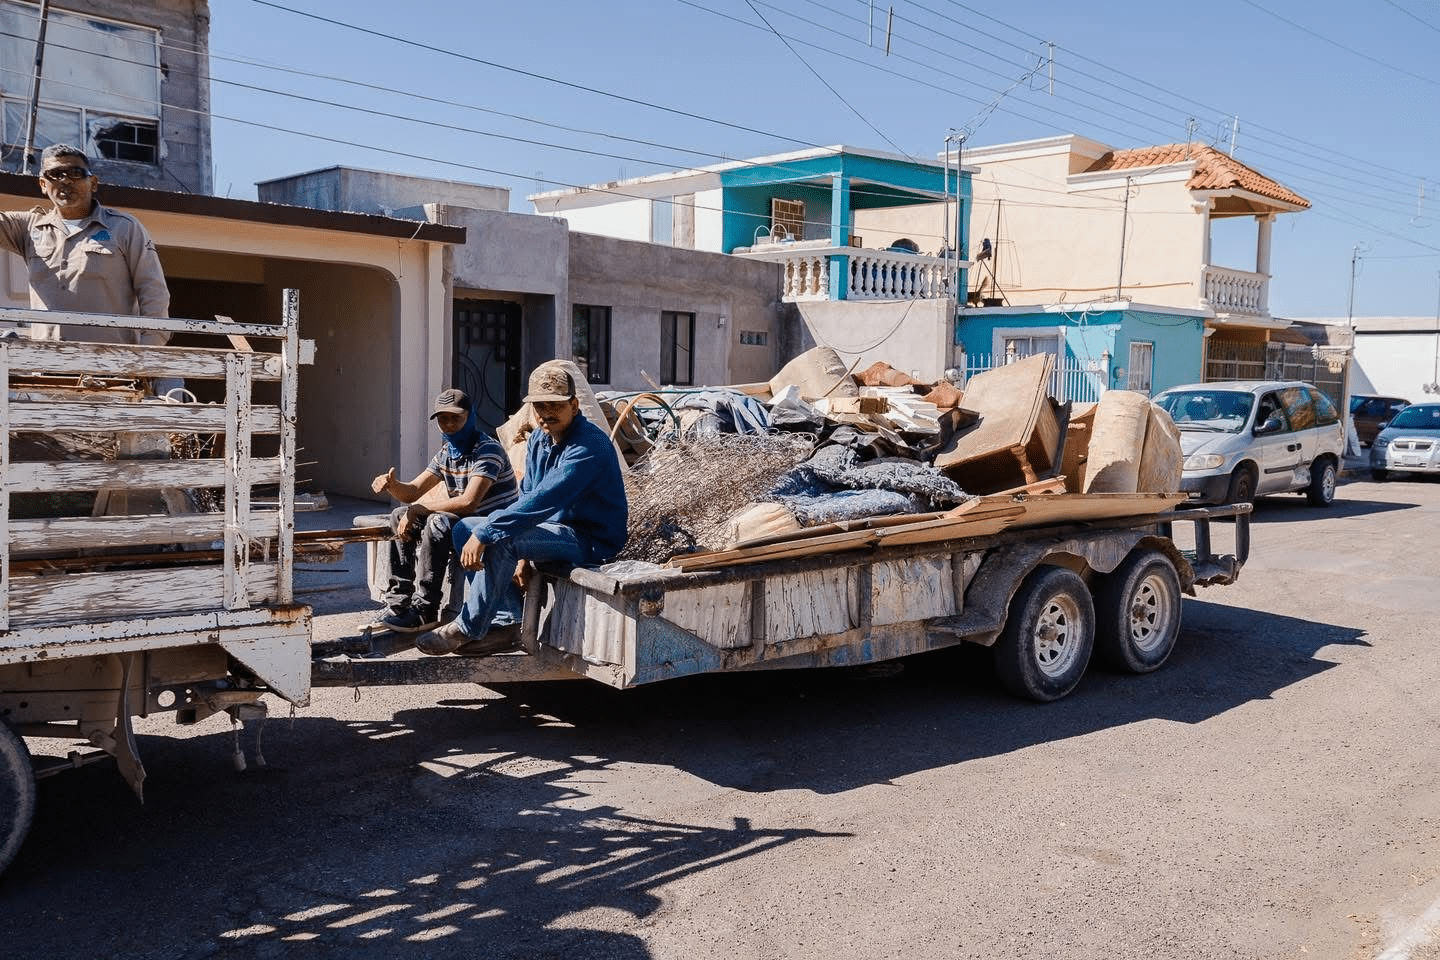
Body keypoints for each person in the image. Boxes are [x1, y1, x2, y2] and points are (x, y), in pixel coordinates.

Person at [414, 366, 628, 657]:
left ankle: (467, 627)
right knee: (465, 528)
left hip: (587, 540)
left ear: (574, 405)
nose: (545, 413)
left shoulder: (589, 446)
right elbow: (526, 493)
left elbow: (543, 500)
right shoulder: (540, 439)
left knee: (498, 536)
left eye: (555, 405)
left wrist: (490, 532)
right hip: (549, 531)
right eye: (539, 406)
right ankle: (506, 622)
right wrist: (520, 552)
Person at [368, 388, 519, 633]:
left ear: (470, 417)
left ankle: (426, 608)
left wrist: (417, 509)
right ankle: (399, 603)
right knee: (398, 515)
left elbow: (469, 502)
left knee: (436, 521)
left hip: (492, 523)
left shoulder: (487, 450)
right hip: (465, 521)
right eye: (442, 419)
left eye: (455, 418)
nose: (449, 425)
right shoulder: (446, 454)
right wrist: (391, 485)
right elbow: (414, 490)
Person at [0, 144, 170, 345]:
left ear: (93, 183)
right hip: (48, 367)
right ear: (43, 185)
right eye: (55, 174)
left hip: (110, 366)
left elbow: (153, 291)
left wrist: (147, 353)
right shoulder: (28, 228)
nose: (65, 180)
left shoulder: (124, 228)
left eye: (75, 172)